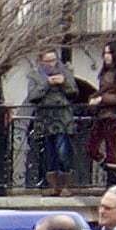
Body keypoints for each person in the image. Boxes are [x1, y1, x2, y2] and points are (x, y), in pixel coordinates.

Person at [27, 50, 77, 197]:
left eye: (54, 60)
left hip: (63, 119)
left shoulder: (65, 73)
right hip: (45, 119)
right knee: (49, 154)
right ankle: (53, 186)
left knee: (63, 152)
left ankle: (66, 185)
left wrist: (64, 82)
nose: (51, 64)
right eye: (48, 61)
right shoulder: (35, 76)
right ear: (41, 62)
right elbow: (33, 96)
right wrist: (47, 83)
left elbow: (74, 92)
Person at [89, 40, 116, 186]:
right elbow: (103, 91)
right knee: (91, 148)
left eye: (110, 53)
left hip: (113, 116)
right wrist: (94, 98)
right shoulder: (105, 73)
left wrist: (101, 99)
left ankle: (114, 179)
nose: (106, 56)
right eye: (105, 53)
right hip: (102, 116)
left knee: (111, 149)